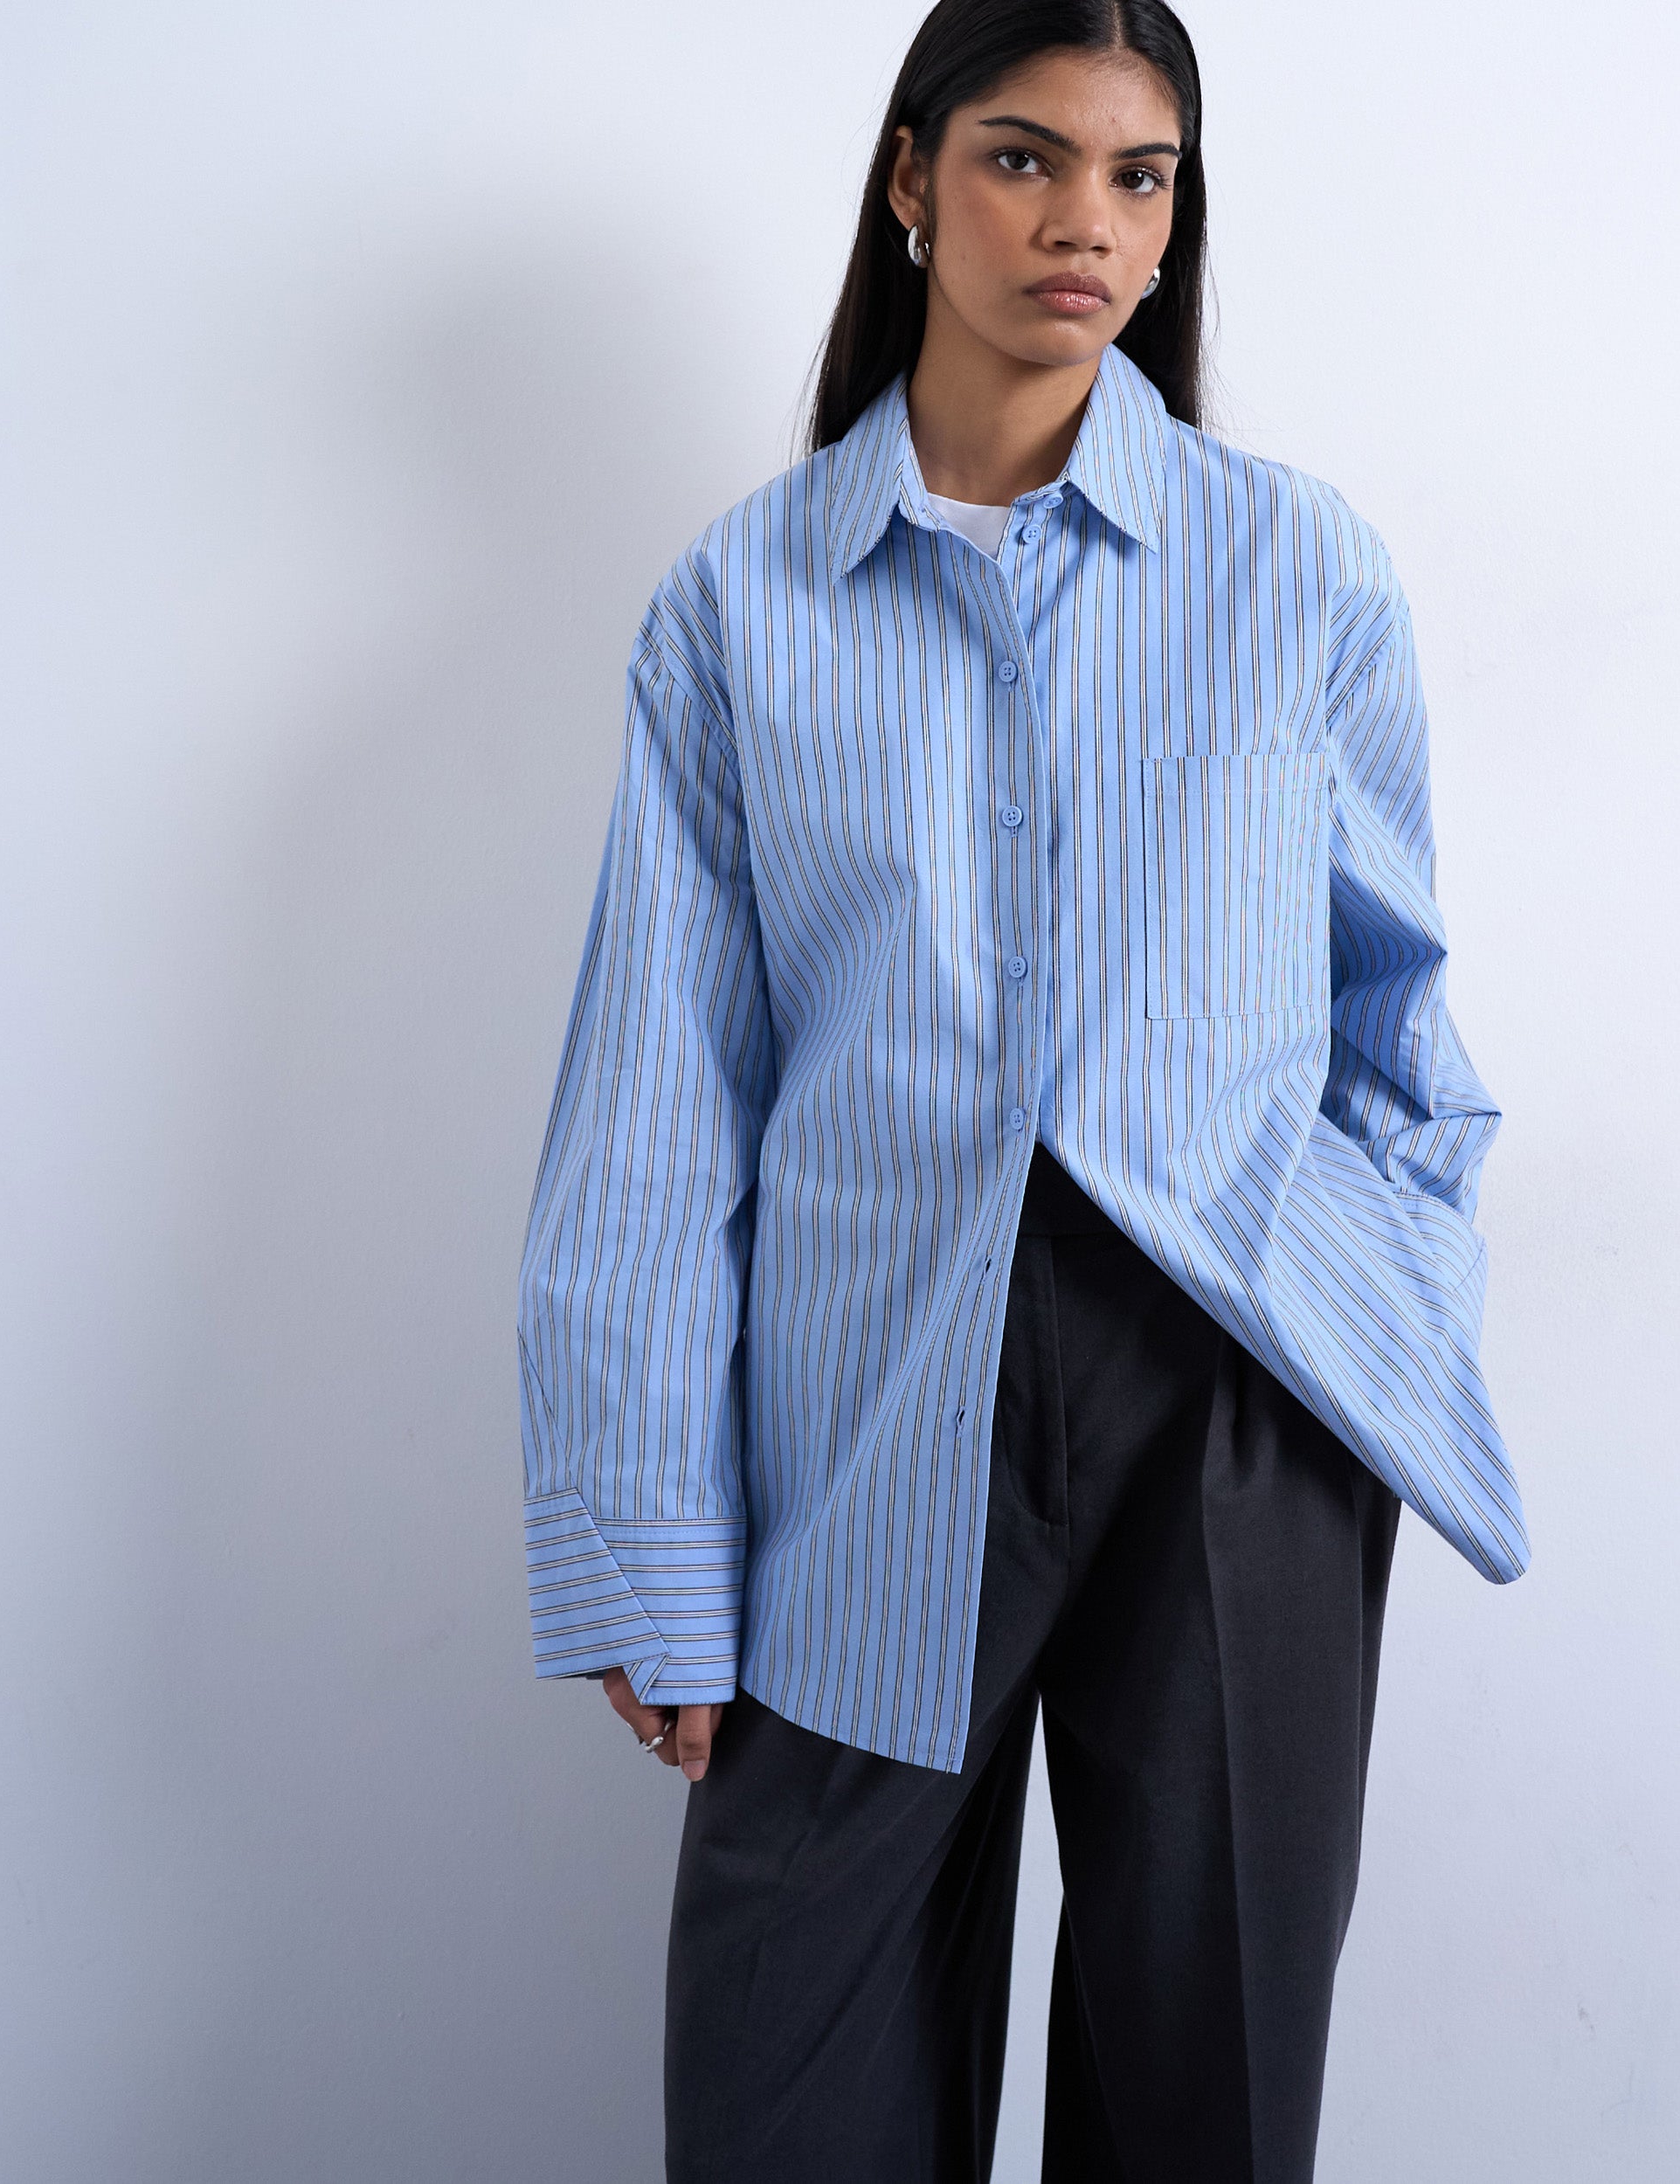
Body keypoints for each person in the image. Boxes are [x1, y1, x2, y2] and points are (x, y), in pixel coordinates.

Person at [515, 2, 1530, 2175]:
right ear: (908, 180)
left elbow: (1397, 1020)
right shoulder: (740, 606)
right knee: (784, 2069)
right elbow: (655, 1104)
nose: (1084, 221)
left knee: (1203, 2073)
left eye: (1137, 176)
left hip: (1240, 1384)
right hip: (873, 1385)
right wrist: (649, 1531)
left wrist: (1384, 1309)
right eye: (1020, 158)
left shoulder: (1296, 568)